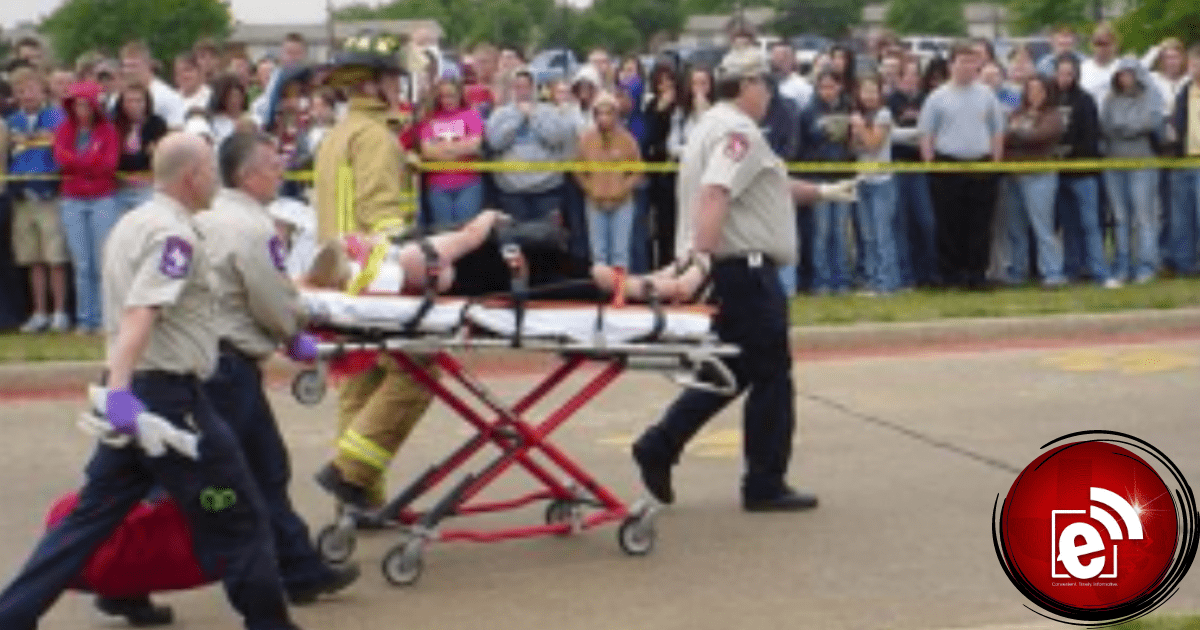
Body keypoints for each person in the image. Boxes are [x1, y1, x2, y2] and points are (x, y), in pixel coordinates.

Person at [0, 133, 303, 630]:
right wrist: (120, 394)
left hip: (142, 400)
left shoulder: (133, 222)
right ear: (191, 177)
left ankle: (12, 615)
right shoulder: (174, 236)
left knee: (91, 518)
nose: (215, 179)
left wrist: (119, 393)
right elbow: (143, 310)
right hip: (167, 402)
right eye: (208, 169)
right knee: (235, 512)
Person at [631, 48, 854, 512]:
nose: (769, 93)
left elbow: (759, 186)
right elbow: (716, 191)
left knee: (739, 367)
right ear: (748, 85)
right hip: (743, 268)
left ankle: (663, 443)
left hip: (735, 269)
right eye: (764, 85)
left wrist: (820, 192)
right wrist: (703, 261)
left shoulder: (708, 126)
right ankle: (763, 482)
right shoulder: (739, 132)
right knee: (772, 372)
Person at [196, 131, 362, 604]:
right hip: (227, 368)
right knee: (249, 472)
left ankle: (298, 568)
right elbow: (273, 300)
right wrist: (296, 333)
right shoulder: (253, 228)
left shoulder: (207, 216)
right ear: (248, 175)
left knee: (244, 470)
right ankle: (295, 570)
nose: (281, 173)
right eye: (273, 166)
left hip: (202, 360)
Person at [310, 32, 438, 522]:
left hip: (339, 281)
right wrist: (417, 268)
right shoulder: (375, 139)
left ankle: (360, 502)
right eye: (391, 77)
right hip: (373, 281)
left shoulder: (337, 136)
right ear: (371, 83)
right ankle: (352, 474)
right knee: (420, 375)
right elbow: (382, 219)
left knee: (360, 382)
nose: (397, 85)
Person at [918, 42, 1005, 290]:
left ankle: (977, 275)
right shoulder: (937, 97)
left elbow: (997, 132)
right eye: (963, 61)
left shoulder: (987, 95)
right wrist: (931, 165)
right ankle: (951, 276)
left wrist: (995, 165)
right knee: (948, 224)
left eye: (973, 62)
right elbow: (927, 135)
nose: (969, 67)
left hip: (981, 165)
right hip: (947, 166)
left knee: (980, 223)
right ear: (951, 65)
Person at [54, 80, 121, 335]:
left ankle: (105, 317)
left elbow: (108, 164)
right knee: (82, 263)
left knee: (102, 260)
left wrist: (78, 163)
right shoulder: (64, 129)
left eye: (86, 104)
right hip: (72, 199)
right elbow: (60, 159)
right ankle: (85, 318)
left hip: (102, 197)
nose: (81, 109)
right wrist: (87, 161)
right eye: (77, 104)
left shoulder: (108, 131)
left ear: (94, 106)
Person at [6, 66, 70, 333]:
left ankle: (59, 312)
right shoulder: (12, 122)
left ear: (42, 90)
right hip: (22, 197)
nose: (26, 95)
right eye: (20, 91)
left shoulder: (56, 117)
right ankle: (39, 312)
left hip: (49, 195)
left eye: (31, 89)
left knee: (55, 257)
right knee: (32, 259)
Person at [1101, 59, 1163, 285]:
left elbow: (1152, 122)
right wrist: (1131, 127)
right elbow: (1106, 126)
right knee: (1120, 218)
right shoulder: (1109, 99)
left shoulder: (1150, 95)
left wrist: (1126, 128)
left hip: (1143, 161)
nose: (1124, 78)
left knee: (1144, 217)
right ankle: (1122, 265)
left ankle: (1146, 266)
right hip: (1114, 163)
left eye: (1128, 74)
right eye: (1120, 74)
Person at [1003, 75, 1066, 287]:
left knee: (1043, 227)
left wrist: (1015, 133)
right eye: (1030, 90)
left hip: (1040, 176)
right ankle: (1016, 272)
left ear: (1047, 92)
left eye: (1039, 89)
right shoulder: (1016, 112)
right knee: (1015, 228)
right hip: (1014, 176)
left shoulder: (1053, 115)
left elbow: (1041, 136)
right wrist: (1017, 134)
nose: (1034, 94)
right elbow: (1003, 138)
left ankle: (1053, 272)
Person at [576, 91, 643, 268]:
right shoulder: (586, 139)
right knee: (599, 255)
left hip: (622, 204)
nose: (604, 118)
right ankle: (602, 294)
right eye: (600, 113)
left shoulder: (627, 140)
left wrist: (622, 190)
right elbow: (578, 169)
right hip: (595, 203)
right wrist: (590, 189)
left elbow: (637, 170)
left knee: (620, 255)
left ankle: (619, 294)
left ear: (616, 114)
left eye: (608, 113)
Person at [418, 77, 485, 227]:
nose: (447, 100)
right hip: (438, 187)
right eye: (442, 96)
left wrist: (442, 149)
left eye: (451, 95)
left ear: (460, 95)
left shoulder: (471, 114)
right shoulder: (430, 117)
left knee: (468, 235)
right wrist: (460, 148)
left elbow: (474, 146)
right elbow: (427, 151)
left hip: (468, 184)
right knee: (443, 236)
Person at [113, 82, 169, 213]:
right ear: (121, 103)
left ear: (147, 103)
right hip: (119, 188)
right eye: (129, 101)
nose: (134, 105)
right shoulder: (114, 125)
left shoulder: (157, 124)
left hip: (147, 187)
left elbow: (159, 157)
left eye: (139, 101)